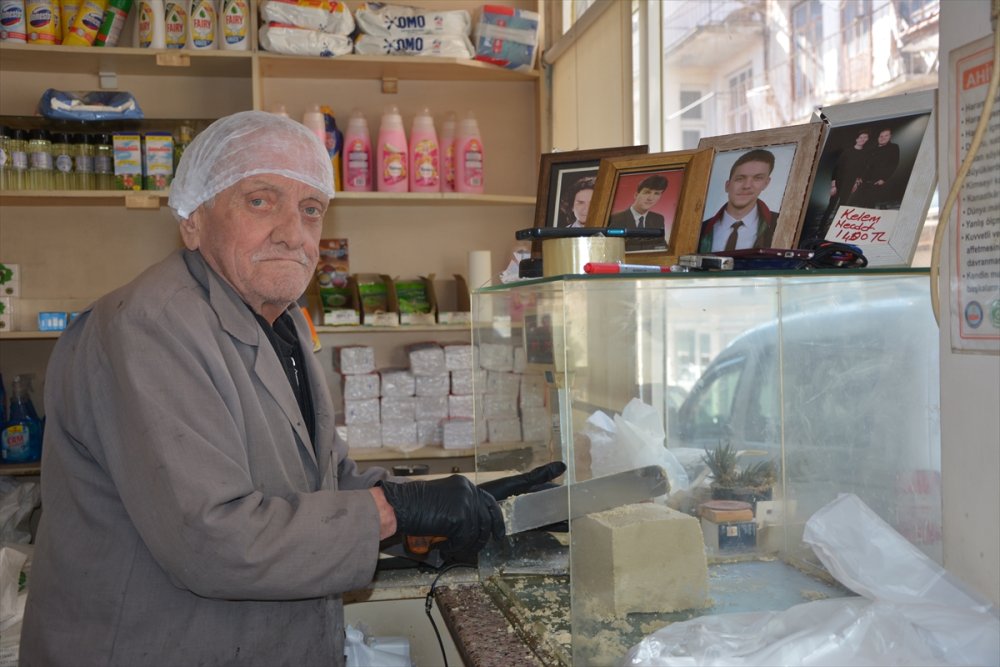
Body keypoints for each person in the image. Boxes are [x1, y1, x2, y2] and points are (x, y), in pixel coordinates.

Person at [19, 111, 564, 667]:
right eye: (260, 200)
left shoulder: (278, 322)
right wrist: (397, 510)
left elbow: (325, 477)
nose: (291, 232)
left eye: (310, 210)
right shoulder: (146, 327)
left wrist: (446, 508)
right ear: (192, 219)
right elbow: (214, 540)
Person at [698, 149, 780, 253]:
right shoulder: (699, 230)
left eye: (757, 178)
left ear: (766, 183)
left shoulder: (780, 224)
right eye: (740, 179)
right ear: (727, 185)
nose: (746, 186)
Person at [811, 128, 871, 241]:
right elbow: (836, 168)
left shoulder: (865, 154)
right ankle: (820, 229)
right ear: (857, 139)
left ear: (867, 139)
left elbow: (863, 170)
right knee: (831, 206)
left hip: (850, 184)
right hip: (839, 182)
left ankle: (835, 229)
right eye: (861, 137)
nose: (862, 139)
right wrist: (833, 185)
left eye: (865, 137)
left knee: (842, 207)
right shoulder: (847, 151)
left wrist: (857, 183)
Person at [850, 127, 900, 208]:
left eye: (886, 136)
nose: (883, 138)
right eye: (881, 136)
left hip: (878, 181)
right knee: (861, 204)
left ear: (890, 136)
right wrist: (859, 177)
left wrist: (884, 179)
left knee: (872, 205)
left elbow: (893, 164)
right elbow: (865, 164)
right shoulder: (872, 148)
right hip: (864, 181)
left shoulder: (893, 147)